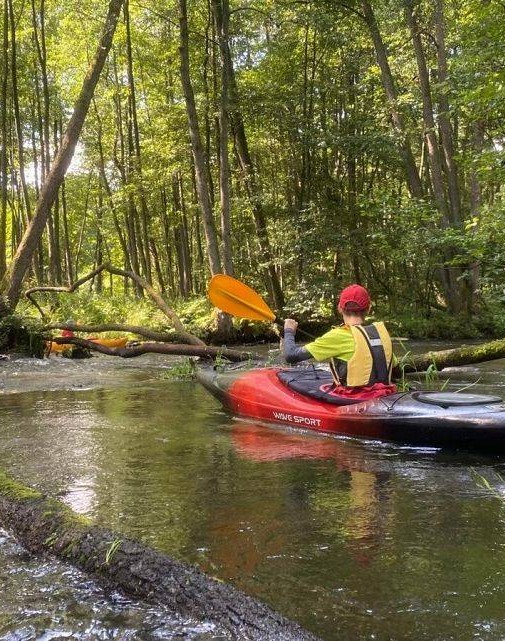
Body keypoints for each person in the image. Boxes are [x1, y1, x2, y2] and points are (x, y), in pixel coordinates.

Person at [283, 284, 397, 400]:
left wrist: (289, 331)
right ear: (368, 309)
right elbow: (394, 368)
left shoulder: (337, 335)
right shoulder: (381, 334)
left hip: (352, 400)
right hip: (386, 396)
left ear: (339, 308)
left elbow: (291, 355)